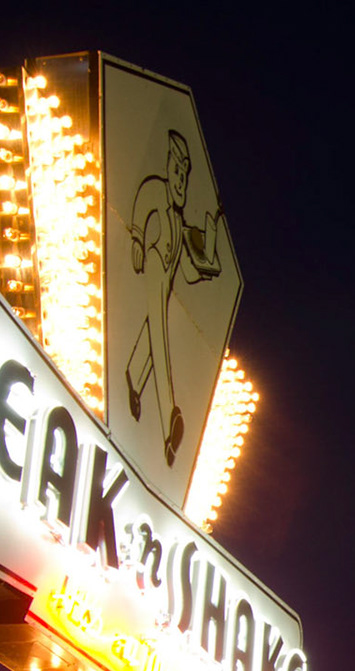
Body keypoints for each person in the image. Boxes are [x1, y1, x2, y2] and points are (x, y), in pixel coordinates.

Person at [124, 130, 228, 466]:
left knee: (154, 332)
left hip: (167, 283)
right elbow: (140, 203)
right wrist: (138, 240)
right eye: (178, 172)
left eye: (186, 174)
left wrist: (208, 260)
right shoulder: (157, 190)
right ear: (170, 167)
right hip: (153, 267)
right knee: (160, 338)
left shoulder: (180, 224)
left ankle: (132, 377)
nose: (181, 180)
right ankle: (170, 416)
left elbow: (187, 271)